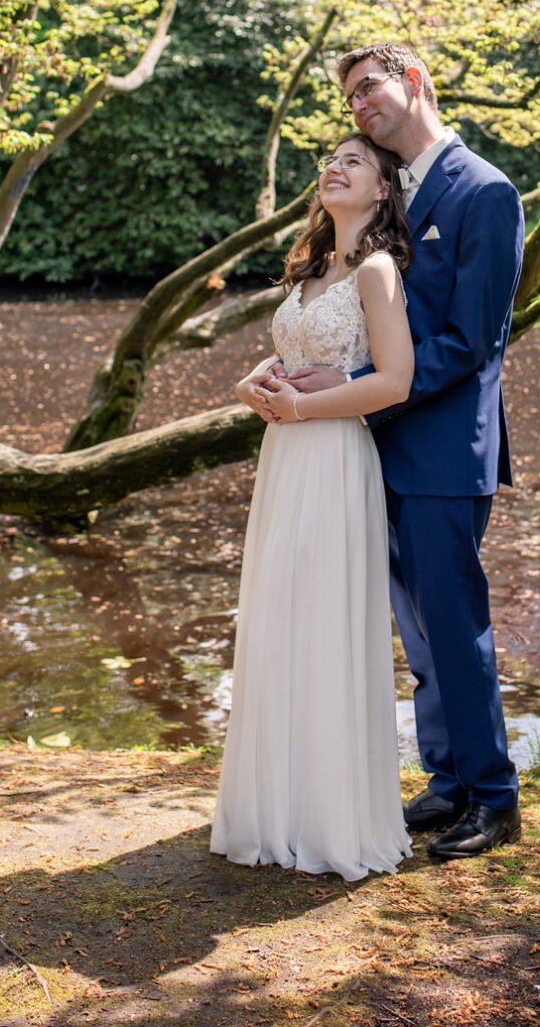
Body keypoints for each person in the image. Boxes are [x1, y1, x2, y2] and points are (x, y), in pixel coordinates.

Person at [283, 42, 525, 860]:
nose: (359, 107)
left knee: (455, 627)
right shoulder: (392, 195)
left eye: (368, 89)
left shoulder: (485, 192)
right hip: (373, 443)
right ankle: (449, 781)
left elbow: (471, 342)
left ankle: (495, 797)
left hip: (445, 450)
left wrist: (364, 384)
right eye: (349, 99)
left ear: (415, 82)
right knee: (417, 637)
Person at [210, 131, 415, 882]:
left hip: (331, 454)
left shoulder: (378, 270)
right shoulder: (312, 268)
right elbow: (293, 363)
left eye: (353, 161)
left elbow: (393, 381)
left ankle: (330, 817)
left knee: (324, 618)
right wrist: (256, 385)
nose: (335, 167)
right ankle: (274, 810)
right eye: (329, 160)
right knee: (279, 614)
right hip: (285, 455)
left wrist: (301, 410)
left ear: (383, 189)